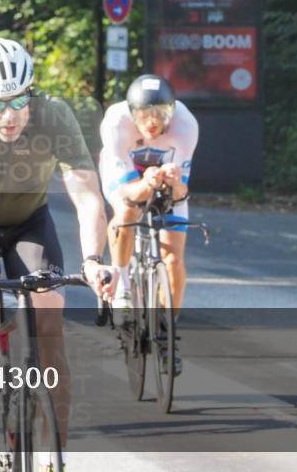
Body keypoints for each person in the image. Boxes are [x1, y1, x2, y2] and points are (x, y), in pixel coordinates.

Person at [0, 37, 115, 472]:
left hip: (29, 222)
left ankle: (53, 455)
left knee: (50, 317)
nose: (7, 115)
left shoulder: (55, 116)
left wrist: (92, 259)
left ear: (31, 92)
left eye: (17, 101)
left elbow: (88, 196)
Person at [98, 74, 199, 373]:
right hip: (127, 179)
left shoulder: (186, 125)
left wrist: (172, 181)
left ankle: (167, 332)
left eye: (160, 115)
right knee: (128, 213)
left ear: (172, 111)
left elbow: (182, 193)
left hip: (167, 181)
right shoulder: (116, 123)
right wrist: (146, 183)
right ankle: (123, 287)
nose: (152, 123)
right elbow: (129, 192)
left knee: (173, 260)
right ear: (132, 113)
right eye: (144, 115)